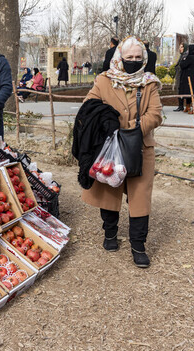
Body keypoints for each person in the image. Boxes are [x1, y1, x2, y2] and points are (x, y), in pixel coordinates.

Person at [78, 36, 162, 267]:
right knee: (109, 189)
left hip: (140, 147)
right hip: (110, 145)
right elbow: (90, 105)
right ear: (120, 57)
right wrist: (107, 123)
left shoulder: (149, 83)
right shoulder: (104, 80)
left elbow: (156, 114)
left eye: (138, 57)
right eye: (129, 57)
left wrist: (135, 130)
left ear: (143, 58)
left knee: (140, 197)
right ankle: (110, 234)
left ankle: (138, 246)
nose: (134, 61)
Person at [178, 44, 194, 114]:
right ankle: (189, 107)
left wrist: (183, 59)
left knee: (189, 92)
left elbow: (182, 65)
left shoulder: (190, 57)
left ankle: (193, 109)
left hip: (189, 78)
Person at [172, 43, 188, 111]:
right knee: (179, 90)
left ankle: (183, 106)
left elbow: (182, 66)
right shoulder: (181, 55)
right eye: (180, 47)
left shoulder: (185, 56)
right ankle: (180, 106)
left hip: (182, 76)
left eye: (181, 47)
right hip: (179, 75)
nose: (180, 48)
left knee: (181, 90)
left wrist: (177, 67)